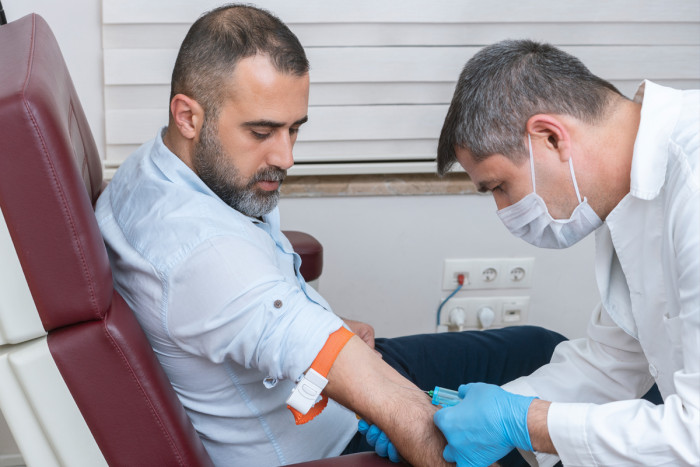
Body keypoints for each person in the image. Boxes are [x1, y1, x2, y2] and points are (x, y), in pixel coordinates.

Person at [95, 7, 566, 466]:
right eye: (262, 131)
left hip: (305, 386)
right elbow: (399, 413)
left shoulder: (151, 170)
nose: (285, 156)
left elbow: (230, 308)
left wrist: (326, 321)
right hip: (324, 439)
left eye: (294, 129)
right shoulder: (206, 257)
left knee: (542, 349)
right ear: (188, 116)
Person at [433, 39, 699, 466]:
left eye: (499, 185)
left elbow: (695, 438)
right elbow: (611, 360)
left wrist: (523, 422)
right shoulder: (630, 196)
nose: (503, 209)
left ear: (551, 137)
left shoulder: (692, 185)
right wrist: (464, 416)